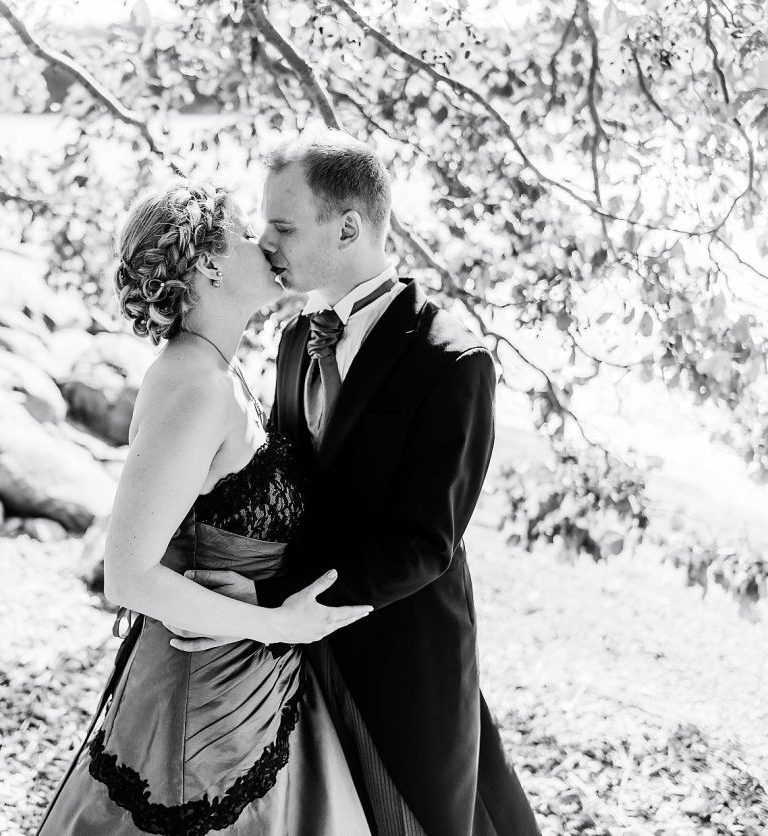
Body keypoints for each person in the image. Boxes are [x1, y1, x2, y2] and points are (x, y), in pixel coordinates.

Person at [170, 130, 543, 836]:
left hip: (396, 662)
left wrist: (276, 600)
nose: (264, 242)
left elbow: (424, 544)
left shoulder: (452, 360)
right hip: (288, 661)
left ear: (348, 227)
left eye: (283, 226)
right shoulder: (293, 340)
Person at [33, 181, 377, 836]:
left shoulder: (221, 374)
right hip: (198, 713)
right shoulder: (195, 389)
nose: (265, 243)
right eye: (247, 233)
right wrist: (280, 625)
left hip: (247, 686)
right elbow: (128, 576)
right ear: (211, 263)